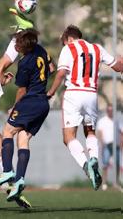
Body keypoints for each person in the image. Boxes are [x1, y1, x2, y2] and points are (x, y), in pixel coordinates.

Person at [46, 25, 123, 190]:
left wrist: (51, 92)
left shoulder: (69, 48)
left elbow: (61, 74)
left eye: (63, 42)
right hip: (91, 94)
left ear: (69, 39)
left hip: (73, 93)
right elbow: (118, 67)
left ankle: (86, 166)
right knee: (90, 131)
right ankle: (94, 158)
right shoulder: (97, 48)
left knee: (68, 137)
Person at [0, 29, 52, 201]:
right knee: (22, 138)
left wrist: (15, 107)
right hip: (43, 104)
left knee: (8, 131)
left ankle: (8, 171)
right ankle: (19, 180)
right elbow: (51, 67)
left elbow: (22, 90)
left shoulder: (25, 63)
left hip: (30, 101)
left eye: (17, 43)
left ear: (24, 46)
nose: (15, 46)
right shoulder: (41, 50)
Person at [96, 104, 123, 190]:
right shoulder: (102, 121)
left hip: (116, 146)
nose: (110, 112)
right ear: (107, 111)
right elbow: (99, 133)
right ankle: (104, 183)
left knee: (118, 164)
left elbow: (120, 132)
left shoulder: (116, 121)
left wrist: (121, 143)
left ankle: (117, 182)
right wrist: (102, 143)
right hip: (107, 145)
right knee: (105, 164)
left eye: (112, 110)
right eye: (109, 110)